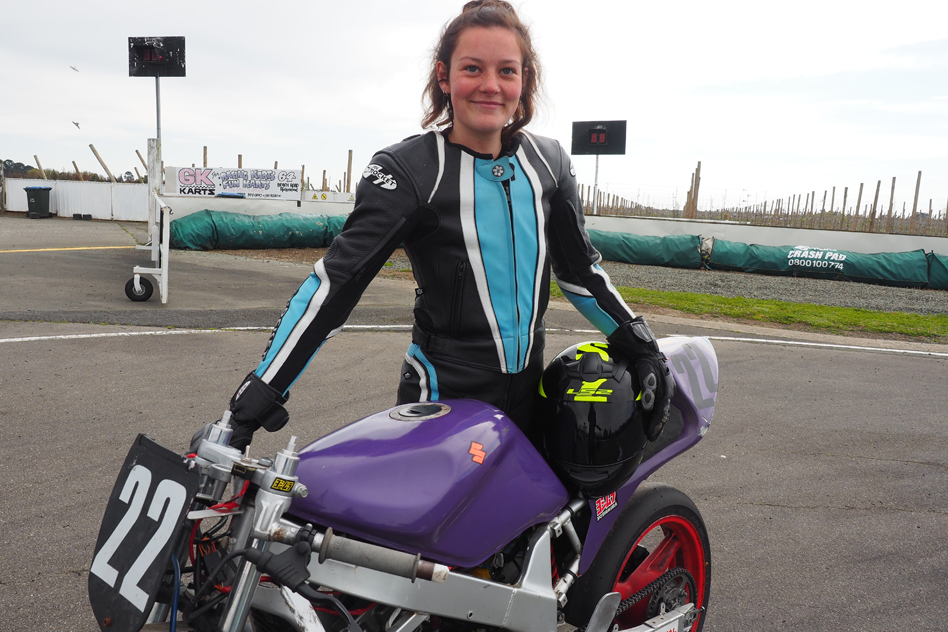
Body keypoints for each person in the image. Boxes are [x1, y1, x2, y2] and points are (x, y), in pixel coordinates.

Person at [226, 0, 674, 452]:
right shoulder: (408, 170)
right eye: (473, 69)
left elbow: (580, 274)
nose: (490, 86)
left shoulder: (549, 162)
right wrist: (260, 394)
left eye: (507, 71)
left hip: (529, 399)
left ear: (525, 81)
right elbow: (336, 285)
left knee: (538, 521)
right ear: (444, 77)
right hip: (441, 403)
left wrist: (640, 344)